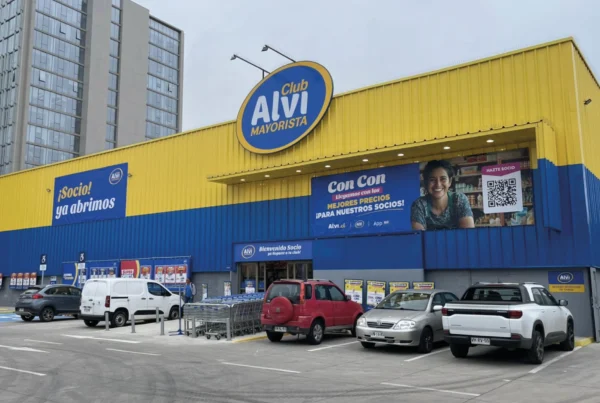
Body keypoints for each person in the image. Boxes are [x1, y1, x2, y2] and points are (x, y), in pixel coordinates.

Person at [411, 159, 475, 230]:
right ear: (426, 182)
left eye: (443, 179)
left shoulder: (459, 200)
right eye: (432, 180)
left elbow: (468, 233)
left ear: (450, 181)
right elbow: (419, 235)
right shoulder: (419, 205)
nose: (438, 184)